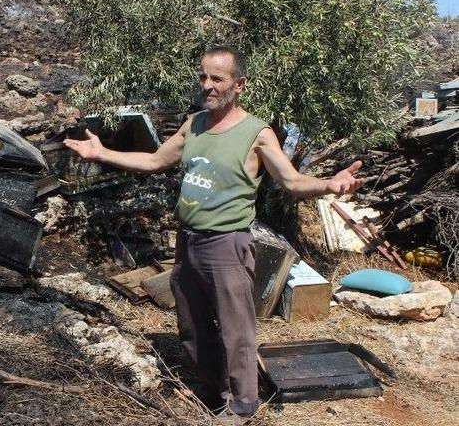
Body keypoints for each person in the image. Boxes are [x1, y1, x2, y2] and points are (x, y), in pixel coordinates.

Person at [63, 46, 362, 423]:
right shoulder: (195, 124)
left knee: (236, 328)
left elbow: (292, 181)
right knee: (192, 322)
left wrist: (329, 185)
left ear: (239, 84)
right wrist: (102, 153)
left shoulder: (257, 133)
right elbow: (154, 161)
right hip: (189, 241)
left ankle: (243, 404)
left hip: (227, 244)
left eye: (217, 78)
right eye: (203, 77)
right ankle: (212, 390)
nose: (207, 85)